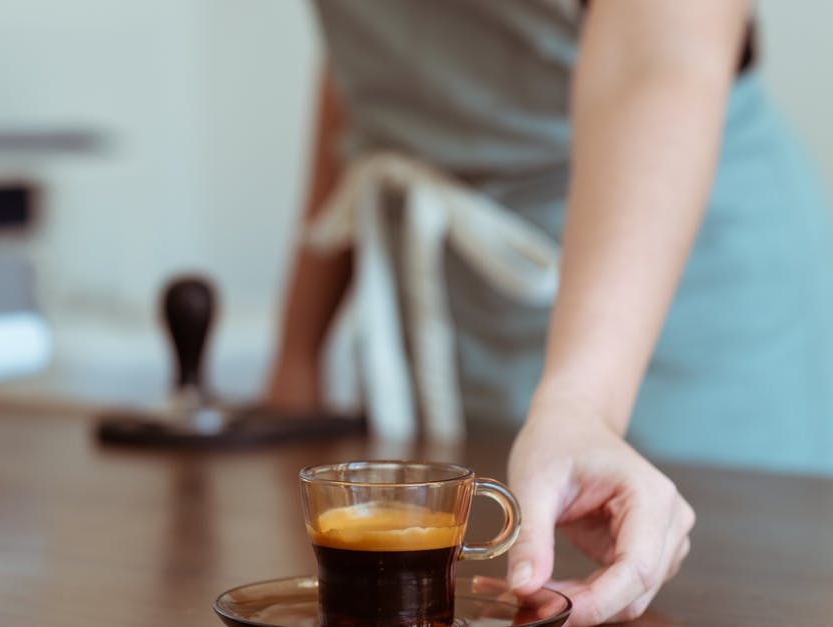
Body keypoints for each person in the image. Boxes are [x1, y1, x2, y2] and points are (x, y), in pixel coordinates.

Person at [265, 1, 833, 625]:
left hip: (677, 296)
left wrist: (580, 405)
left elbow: (652, 61)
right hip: (461, 312)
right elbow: (375, 69)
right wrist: (297, 351)